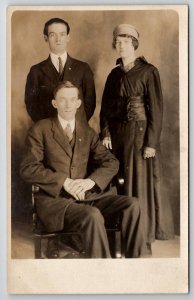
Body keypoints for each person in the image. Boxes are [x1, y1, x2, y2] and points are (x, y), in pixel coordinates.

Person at [20, 81, 146, 258]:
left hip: (87, 197)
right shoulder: (40, 129)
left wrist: (90, 182)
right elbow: (28, 168)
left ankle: (137, 266)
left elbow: (111, 162)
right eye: (63, 100)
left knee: (132, 204)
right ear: (54, 103)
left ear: (79, 103)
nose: (68, 105)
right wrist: (64, 182)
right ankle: (103, 272)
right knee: (92, 215)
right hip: (56, 202)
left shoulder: (87, 132)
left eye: (73, 100)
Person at [100, 24, 174, 249]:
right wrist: (105, 133)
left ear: (134, 44)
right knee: (118, 182)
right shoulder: (113, 74)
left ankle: (142, 237)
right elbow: (105, 108)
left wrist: (151, 143)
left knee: (140, 184)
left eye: (125, 42)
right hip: (117, 135)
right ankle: (119, 235)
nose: (120, 46)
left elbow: (157, 110)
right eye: (117, 42)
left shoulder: (149, 71)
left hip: (140, 135)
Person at [25, 17, 96, 122]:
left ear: (68, 37)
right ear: (46, 38)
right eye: (53, 35)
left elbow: (90, 103)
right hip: (48, 133)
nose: (58, 39)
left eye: (62, 34)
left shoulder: (83, 68)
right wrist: (45, 129)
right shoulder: (36, 71)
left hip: (77, 131)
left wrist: (77, 125)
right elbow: (31, 105)